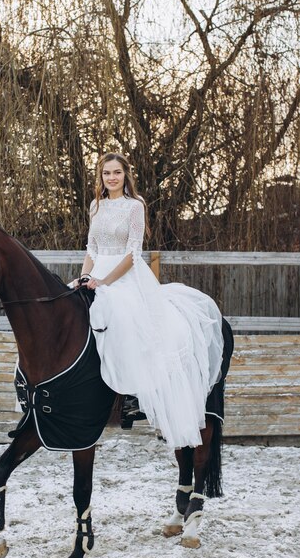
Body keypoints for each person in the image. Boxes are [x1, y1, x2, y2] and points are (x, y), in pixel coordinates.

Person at [73, 152, 224, 449]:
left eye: (117, 173)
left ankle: (130, 396)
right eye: (106, 173)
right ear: (100, 177)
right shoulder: (95, 206)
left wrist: (104, 282)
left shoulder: (135, 206)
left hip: (125, 276)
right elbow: (91, 248)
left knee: (125, 318)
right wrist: (84, 277)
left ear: (125, 175)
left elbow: (133, 254)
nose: (111, 178)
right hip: (96, 271)